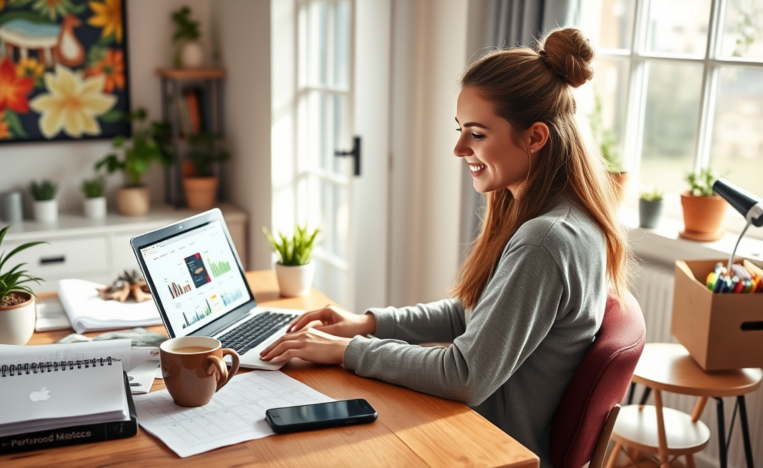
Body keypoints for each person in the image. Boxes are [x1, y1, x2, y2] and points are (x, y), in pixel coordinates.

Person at [261, 27, 630, 464]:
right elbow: (472, 313)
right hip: (476, 430)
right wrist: (367, 323)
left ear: (535, 137)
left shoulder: (545, 241)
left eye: (476, 134)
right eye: (460, 130)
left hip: (486, 446)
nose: (458, 148)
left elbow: (465, 374)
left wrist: (348, 351)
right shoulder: (553, 217)